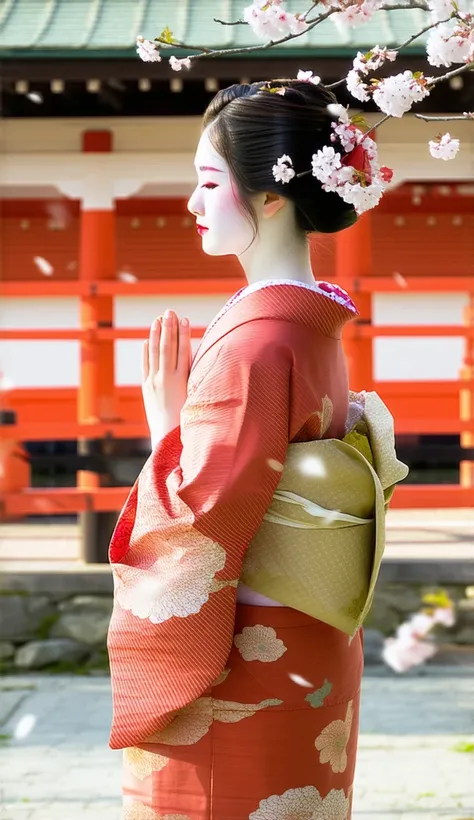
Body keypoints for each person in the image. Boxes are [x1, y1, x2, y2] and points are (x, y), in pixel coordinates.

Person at [107, 79, 408, 820]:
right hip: (311, 638)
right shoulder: (308, 326)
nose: (193, 203)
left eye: (209, 182)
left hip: (246, 654)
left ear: (270, 197)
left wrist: (163, 429)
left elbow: (203, 520)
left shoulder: (259, 342)